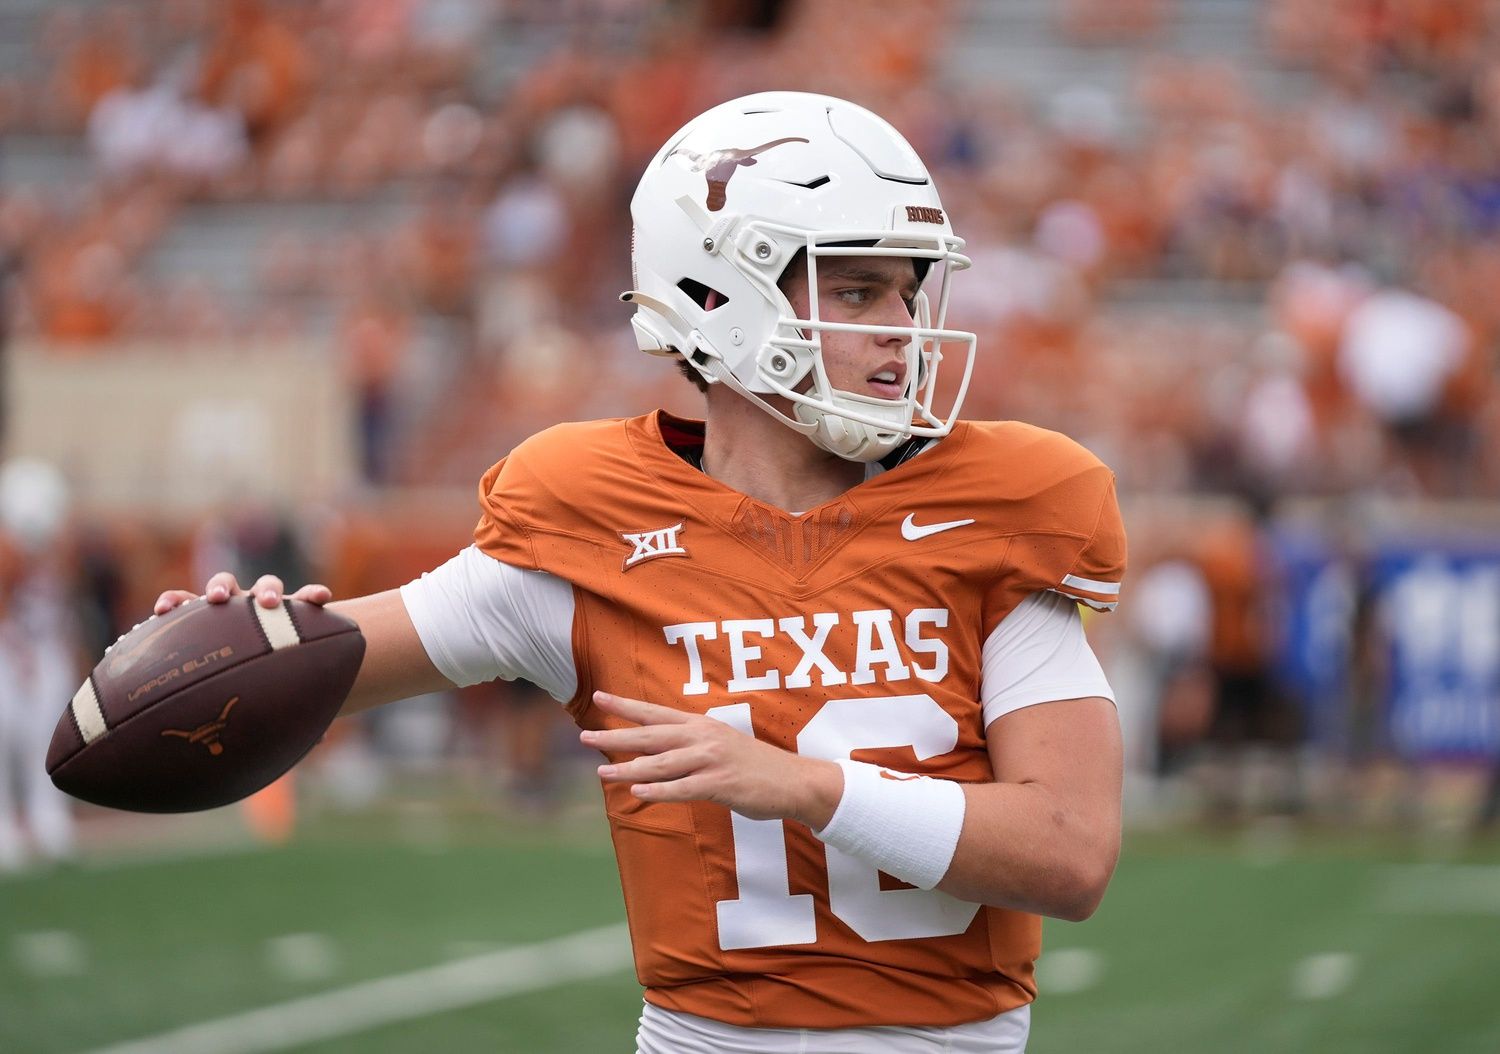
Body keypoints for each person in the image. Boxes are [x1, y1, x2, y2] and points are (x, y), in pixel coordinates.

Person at [154, 92, 1126, 1053]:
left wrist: (807, 786)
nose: (902, 327)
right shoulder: (593, 511)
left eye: (908, 291)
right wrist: (223, 647)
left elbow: (1071, 850)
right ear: (720, 298)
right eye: (860, 289)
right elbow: (321, 664)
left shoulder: (1001, 505)